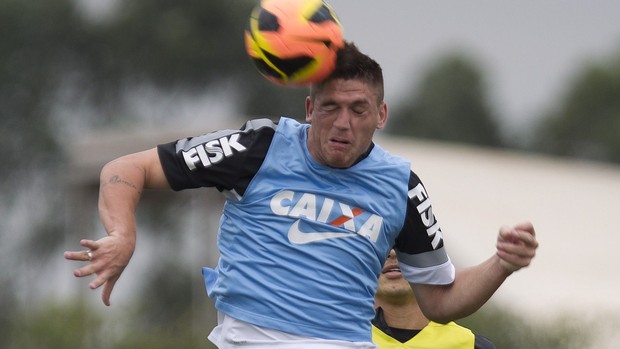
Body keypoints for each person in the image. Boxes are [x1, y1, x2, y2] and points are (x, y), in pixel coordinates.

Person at [64, 42, 538, 349]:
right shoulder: (259, 148)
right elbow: (127, 168)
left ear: (382, 114)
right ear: (309, 108)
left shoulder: (402, 186)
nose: (343, 122)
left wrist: (503, 263)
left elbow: (439, 300)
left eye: (358, 109)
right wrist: (123, 233)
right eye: (330, 107)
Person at [373, 249, 496, 349]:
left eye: (404, 242)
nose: (393, 252)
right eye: (379, 242)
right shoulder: (354, 339)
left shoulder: (471, 345)